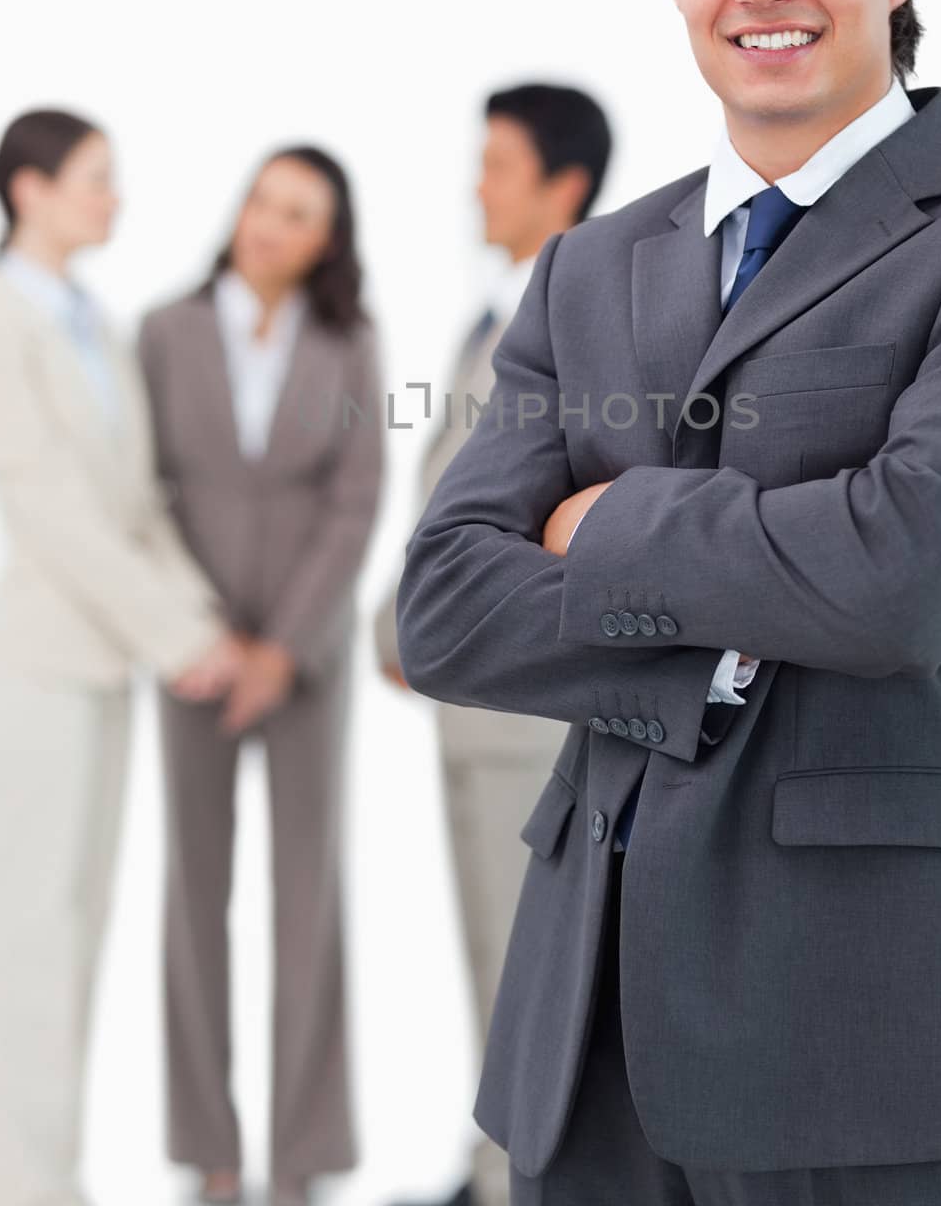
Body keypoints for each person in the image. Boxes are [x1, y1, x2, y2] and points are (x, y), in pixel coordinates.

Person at [395, 0, 941, 1206]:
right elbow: (440, 605)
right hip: (585, 1038)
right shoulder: (589, 265)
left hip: (872, 1042)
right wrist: (721, 639)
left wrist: (602, 519)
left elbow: (901, 578)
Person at [0, 108, 247, 1206]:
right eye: (96, 178)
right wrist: (182, 635)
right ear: (30, 189)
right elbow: (51, 508)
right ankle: (24, 1182)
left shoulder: (93, 322)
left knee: (80, 925)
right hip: (41, 659)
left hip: (107, 663)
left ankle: (53, 1175)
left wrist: (202, 622)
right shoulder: (3, 315)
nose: (114, 197)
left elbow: (137, 505)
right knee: (32, 935)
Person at [376, 83, 612, 1206]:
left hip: (523, 714)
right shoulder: (499, 314)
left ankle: (515, 1174)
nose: (476, 182)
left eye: (497, 162)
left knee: (530, 973)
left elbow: (520, 517)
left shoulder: (580, 322)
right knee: (489, 953)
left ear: (560, 184)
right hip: (472, 705)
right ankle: (491, 1168)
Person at [137, 144, 384, 1206]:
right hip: (192, 653)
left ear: (327, 237)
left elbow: (355, 497)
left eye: (297, 213)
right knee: (194, 896)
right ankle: (211, 1154)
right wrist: (206, 635)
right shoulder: (165, 331)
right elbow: (141, 490)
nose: (270, 225)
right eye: (261, 203)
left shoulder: (349, 341)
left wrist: (282, 646)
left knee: (307, 893)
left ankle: (302, 1158)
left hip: (306, 656)